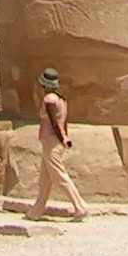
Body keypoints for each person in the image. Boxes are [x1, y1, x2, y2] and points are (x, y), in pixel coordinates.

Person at [28, 68, 87, 220]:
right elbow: (63, 121)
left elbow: (55, 123)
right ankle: (35, 212)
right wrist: (65, 138)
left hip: (51, 141)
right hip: (53, 141)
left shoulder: (49, 99)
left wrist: (62, 139)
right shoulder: (61, 100)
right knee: (45, 180)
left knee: (59, 176)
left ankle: (80, 206)